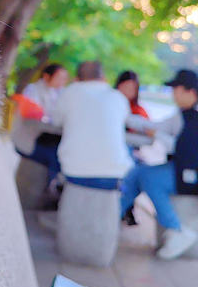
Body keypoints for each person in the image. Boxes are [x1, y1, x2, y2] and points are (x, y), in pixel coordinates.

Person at [121, 69, 198, 259]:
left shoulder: (192, 116)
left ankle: (176, 229)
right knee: (136, 174)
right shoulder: (182, 115)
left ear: (189, 91)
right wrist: (121, 114)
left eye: (176, 89)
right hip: (180, 171)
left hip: (190, 177)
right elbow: (155, 127)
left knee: (146, 176)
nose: (173, 94)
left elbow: (181, 146)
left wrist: (158, 135)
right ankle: (111, 217)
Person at [52, 60, 133, 188]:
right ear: (103, 78)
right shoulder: (118, 97)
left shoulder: (69, 92)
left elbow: (56, 121)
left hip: (74, 170)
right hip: (115, 172)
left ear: (77, 79)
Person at [11, 63, 68, 183]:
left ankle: (54, 182)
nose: (62, 82)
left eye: (64, 79)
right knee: (55, 155)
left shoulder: (55, 93)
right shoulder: (33, 90)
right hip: (29, 137)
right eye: (59, 78)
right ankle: (54, 183)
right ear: (46, 76)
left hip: (40, 135)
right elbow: (35, 119)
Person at [115, 70, 149, 225]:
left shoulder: (139, 111)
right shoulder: (110, 105)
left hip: (130, 152)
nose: (129, 91)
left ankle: (123, 208)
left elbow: (148, 134)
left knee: (140, 174)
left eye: (133, 88)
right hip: (113, 152)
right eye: (126, 86)